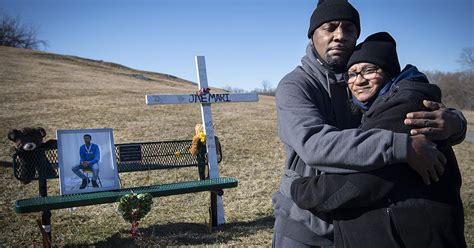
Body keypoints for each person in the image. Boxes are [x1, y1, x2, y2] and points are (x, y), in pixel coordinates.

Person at [272, 0, 467, 247]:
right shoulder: (296, 85)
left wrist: (456, 123)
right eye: (330, 28)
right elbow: (314, 145)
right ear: (313, 37)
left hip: (355, 222)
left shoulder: (364, 81)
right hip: (305, 225)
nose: (340, 36)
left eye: (349, 29)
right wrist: (401, 146)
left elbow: (410, 104)